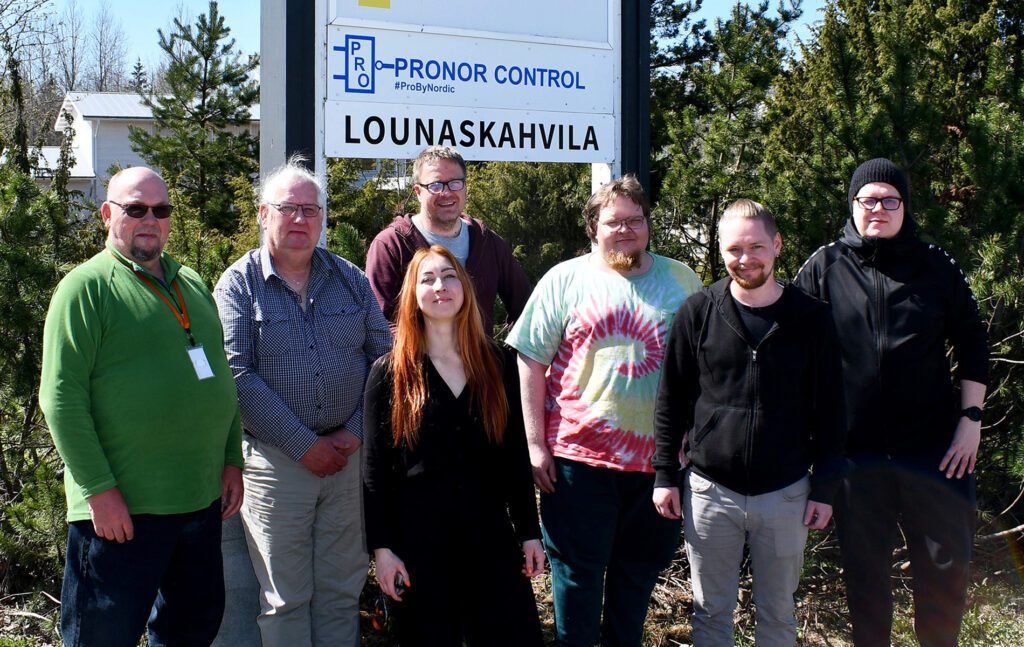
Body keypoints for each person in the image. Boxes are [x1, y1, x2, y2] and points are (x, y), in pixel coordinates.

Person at [39, 167, 244, 647]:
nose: (150, 219)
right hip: (121, 513)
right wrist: (99, 491)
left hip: (198, 504)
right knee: (102, 637)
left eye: (161, 209)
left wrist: (231, 459)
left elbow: (220, 378)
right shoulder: (85, 288)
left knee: (190, 632)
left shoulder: (191, 282)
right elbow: (61, 399)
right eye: (135, 209)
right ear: (107, 214)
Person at [794, 158, 989, 647]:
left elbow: (973, 343)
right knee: (865, 583)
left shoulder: (936, 266)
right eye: (868, 199)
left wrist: (971, 420)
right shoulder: (823, 266)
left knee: (945, 573)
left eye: (889, 200)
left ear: (905, 207)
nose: (878, 208)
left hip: (935, 452)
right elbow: (788, 348)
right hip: (855, 455)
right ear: (853, 205)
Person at [506, 175, 703, 647]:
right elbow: (530, 360)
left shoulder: (682, 281)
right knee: (576, 579)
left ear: (648, 224)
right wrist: (534, 444)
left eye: (636, 220)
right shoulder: (564, 279)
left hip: (659, 466)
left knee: (636, 580)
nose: (626, 230)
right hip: (578, 464)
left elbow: (703, 365)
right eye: (614, 221)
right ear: (594, 226)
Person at [213, 158, 391, 647]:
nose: (300, 219)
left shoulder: (350, 278)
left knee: (341, 593)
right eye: (287, 208)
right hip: (276, 465)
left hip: (348, 462)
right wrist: (304, 445)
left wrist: (355, 430)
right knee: (284, 599)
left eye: (310, 210)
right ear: (263, 214)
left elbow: (385, 360)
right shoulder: (238, 284)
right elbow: (235, 375)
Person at [652, 199, 846, 646]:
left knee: (777, 615)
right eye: (734, 249)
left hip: (786, 493)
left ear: (777, 245)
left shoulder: (812, 318)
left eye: (756, 247)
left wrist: (826, 486)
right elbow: (671, 399)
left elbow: (832, 410)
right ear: (721, 250)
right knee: (710, 613)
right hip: (709, 491)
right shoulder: (697, 312)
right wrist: (664, 474)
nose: (746, 259)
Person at [362, 245, 545, 647]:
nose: (440, 286)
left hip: (490, 535)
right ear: (413, 295)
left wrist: (529, 533)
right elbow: (375, 472)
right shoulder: (389, 373)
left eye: (449, 276)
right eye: (427, 279)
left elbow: (514, 456)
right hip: (420, 542)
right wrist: (383, 550)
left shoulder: (497, 363)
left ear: (464, 288)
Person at [365, 145, 532, 332]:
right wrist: (430, 350)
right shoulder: (391, 246)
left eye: (455, 183)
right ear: (418, 192)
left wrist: (505, 350)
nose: (446, 192)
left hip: (481, 353)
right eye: (435, 185)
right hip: (412, 353)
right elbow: (378, 325)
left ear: (465, 186)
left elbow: (526, 311)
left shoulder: (488, 243)